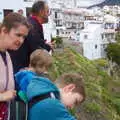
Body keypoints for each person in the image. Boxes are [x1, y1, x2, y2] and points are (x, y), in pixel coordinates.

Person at [15, 49, 85, 120]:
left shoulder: (41, 91)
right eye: (75, 101)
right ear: (69, 88)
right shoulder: (52, 104)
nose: (72, 107)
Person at [0, 12, 30, 120]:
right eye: (18, 35)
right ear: (4, 30)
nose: (21, 41)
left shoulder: (7, 55)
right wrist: (2, 96)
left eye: (24, 37)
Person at [9, 0, 53, 74]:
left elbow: (34, 43)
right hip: (20, 71)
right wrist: (48, 47)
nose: (48, 14)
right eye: (48, 11)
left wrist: (45, 45)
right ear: (42, 12)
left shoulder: (31, 22)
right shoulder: (33, 26)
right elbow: (37, 50)